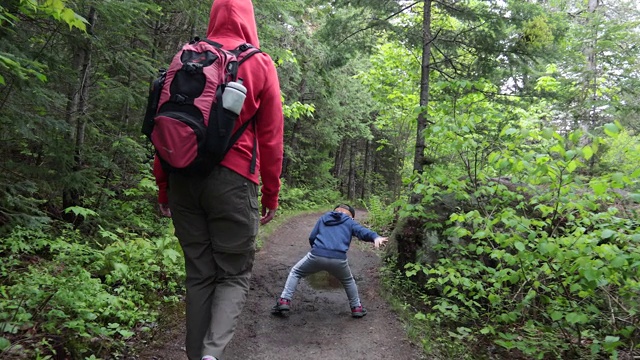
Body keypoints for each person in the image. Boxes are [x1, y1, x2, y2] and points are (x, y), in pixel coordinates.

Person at [152, 0, 284, 359]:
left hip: (182, 179)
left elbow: (165, 124)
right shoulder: (258, 62)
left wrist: (164, 186)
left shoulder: (186, 58)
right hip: (234, 181)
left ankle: (196, 355)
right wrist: (271, 193)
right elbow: (271, 138)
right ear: (249, 19)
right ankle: (212, 354)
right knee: (234, 274)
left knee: (199, 275)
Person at [273, 204, 388, 318]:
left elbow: (312, 237)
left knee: (296, 272)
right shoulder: (350, 222)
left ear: (334, 212)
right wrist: (375, 237)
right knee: (348, 281)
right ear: (351, 217)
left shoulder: (324, 218)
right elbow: (362, 231)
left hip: (317, 254)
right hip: (339, 258)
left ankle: (284, 301)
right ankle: (356, 307)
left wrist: (317, 250)